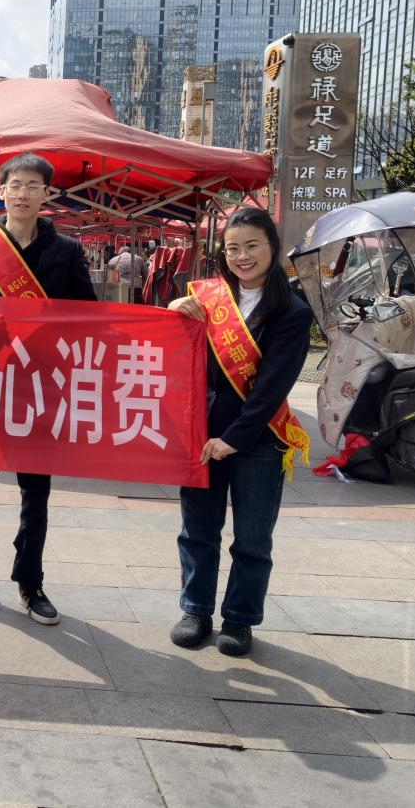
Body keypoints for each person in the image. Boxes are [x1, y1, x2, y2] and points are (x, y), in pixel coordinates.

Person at [0, 152, 96, 624]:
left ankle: (31, 583)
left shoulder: (66, 252)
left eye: (33, 186)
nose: (24, 193)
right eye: (16, 185)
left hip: (41, 388)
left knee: (36, 492)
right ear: (1, 191)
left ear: (47, 194)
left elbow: (90, 316)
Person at [165, 206, 313, 657]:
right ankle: (195, 610)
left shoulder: (292, 311)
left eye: (252, 246)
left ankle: (240, 619)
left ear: (272, 247)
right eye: (232, 248)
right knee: (197, 529)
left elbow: (272, 388)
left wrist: (234, 439)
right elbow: (176, 355)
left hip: (259, 440)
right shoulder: (207, 298)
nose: (242, 256)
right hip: (202, 436)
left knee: (252, 539)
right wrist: (173, 311)